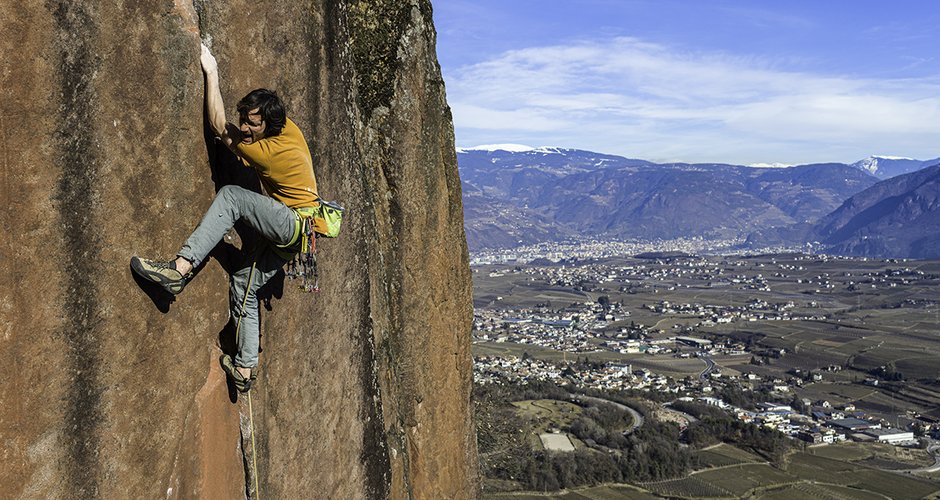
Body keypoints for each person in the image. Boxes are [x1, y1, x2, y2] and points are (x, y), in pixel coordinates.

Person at [131, 44, 319, 392]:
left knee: (232, 196)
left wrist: (211, 71)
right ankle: (246, 369)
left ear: (269, 125)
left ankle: (179, 270)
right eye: (244, 120)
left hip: (290, 225)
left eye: (252, 123)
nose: (245, 128)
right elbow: (244, 120)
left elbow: (219, 125)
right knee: (243, 287)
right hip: (299, 235)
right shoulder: (287, 128)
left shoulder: (267, 153)